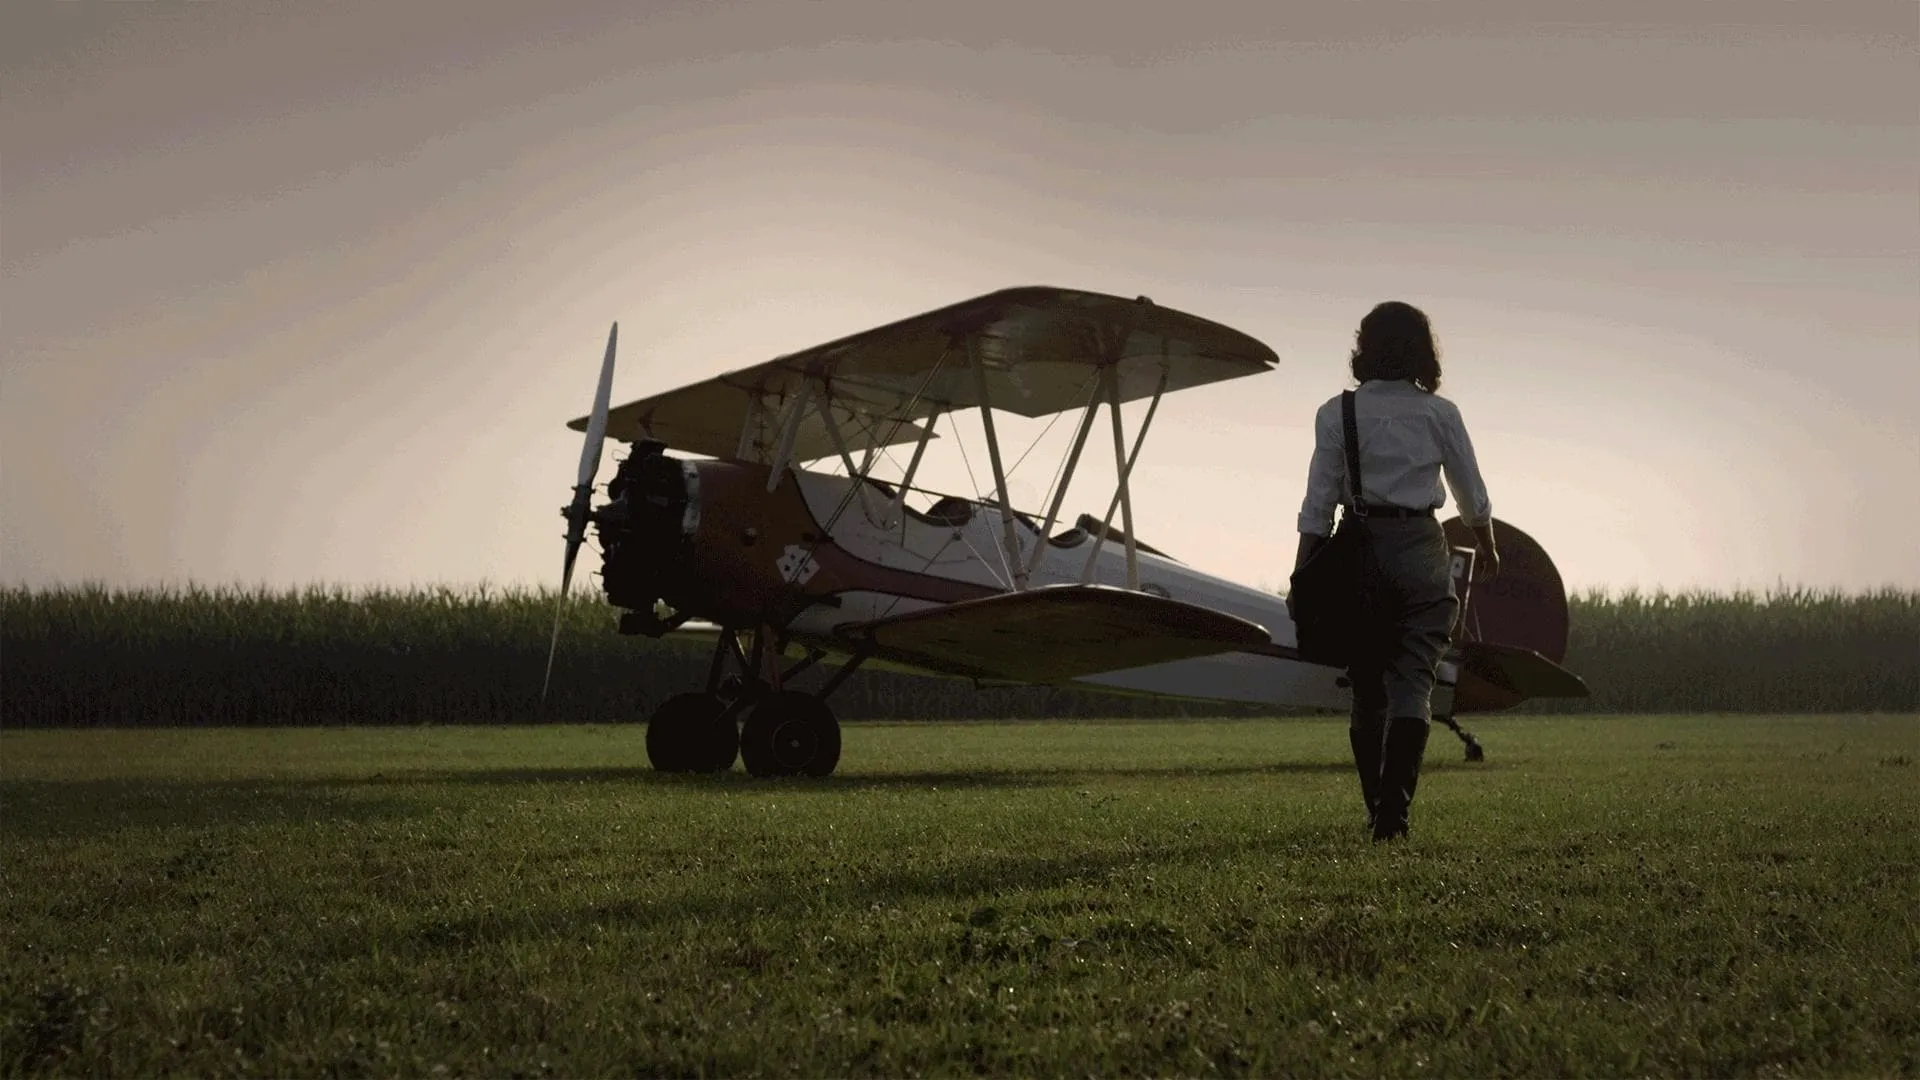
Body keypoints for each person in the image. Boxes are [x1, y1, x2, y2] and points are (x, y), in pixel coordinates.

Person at [1293, 301, 1500, 841]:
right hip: (1421, 549)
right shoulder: (1440, 414)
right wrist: (1488, 546)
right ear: (1422, 351)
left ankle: (1375, 807)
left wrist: (1302, 571)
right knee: (1415, 681)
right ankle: (1394, 815)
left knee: (1366, 685)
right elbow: (1471, 495)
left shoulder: (1335, 413)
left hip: (1358, 548)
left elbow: (1318, 503)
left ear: (1364, 348)